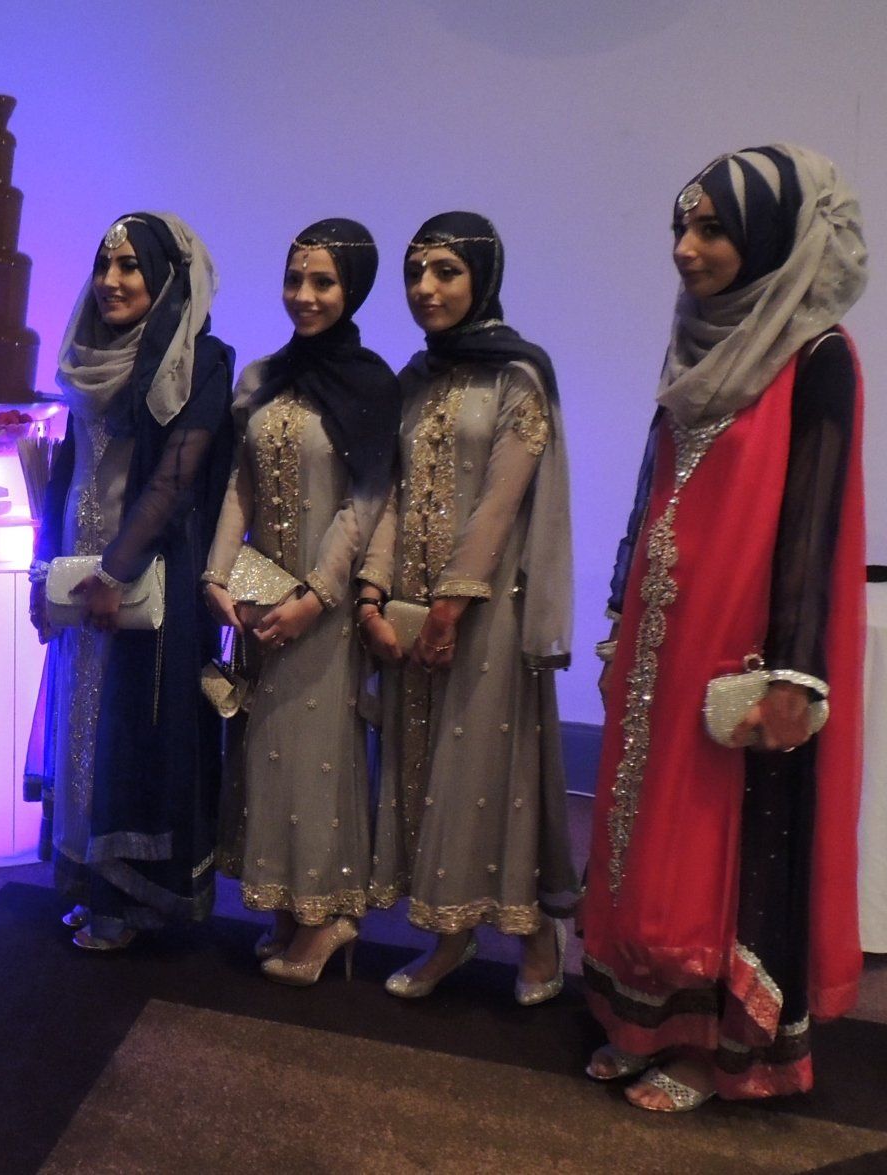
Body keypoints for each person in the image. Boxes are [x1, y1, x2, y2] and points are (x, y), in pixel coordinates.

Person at [579, 144, 868, 1112]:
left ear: (769, 240)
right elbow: (652, 478)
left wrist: (792, 667)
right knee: (635, 821)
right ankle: (641, 1017)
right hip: (663, 632)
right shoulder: (699, 335)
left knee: (713, 834)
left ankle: (715, 1047)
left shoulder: (819, 352)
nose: (686, 250)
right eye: (681, 227)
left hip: (738, 644)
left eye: (711, 230)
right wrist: (624, 603)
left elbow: (814, 514)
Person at [357, 212, 575, 1003]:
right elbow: (390, 495)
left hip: (485, 617)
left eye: (445, 270)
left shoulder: (518, 375)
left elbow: (497, 506)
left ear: (482, 275)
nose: (426, 288)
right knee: (422, 776)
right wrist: (374, 594)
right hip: (411, 613)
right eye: (417, 272)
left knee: (486, 773)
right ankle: (450, 935)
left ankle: (533, 935)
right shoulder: (415, 379)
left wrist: (450, 609)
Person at [25, 212, 235, 951]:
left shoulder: (202, 360)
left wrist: (116, 572)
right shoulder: (86, 354)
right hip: (84, 572)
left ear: (166, 278)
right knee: (82, 723)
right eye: (104, 264)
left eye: (131, 267)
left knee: (134, 729)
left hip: (148, 576)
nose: (111, 281)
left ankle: (129, 901)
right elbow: (62, 472)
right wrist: (46, 572)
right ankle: (90, 881)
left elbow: (176, 479)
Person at [204, 218, 399, 984]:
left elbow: (366, 505)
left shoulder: (371, 384)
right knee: (266, 752)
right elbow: (239, 487)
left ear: (353, 289)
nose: (305, 296)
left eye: (323, 281)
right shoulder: (264, 377)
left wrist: (316, 599)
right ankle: (287, 909)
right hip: (262, 589)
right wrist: (221, 578)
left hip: (323, 601)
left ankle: (326, 917)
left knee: (317, 760)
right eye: (295, 279)